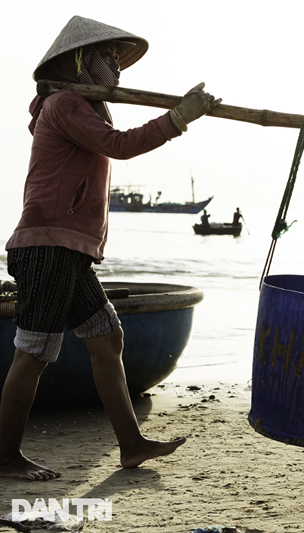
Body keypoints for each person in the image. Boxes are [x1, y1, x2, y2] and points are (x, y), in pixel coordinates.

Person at [0, 15, 221, 481]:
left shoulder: (83, 105)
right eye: (108, 58)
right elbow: (119, 146)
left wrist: (181, 113)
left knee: (107, 339)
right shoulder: (64, 103)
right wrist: (179, 117)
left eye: (119, 61)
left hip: (70, 252)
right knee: (33, 353)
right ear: (81, 61)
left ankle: (131, 445)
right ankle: (5, 456)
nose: (117, 69)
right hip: (48, 246)